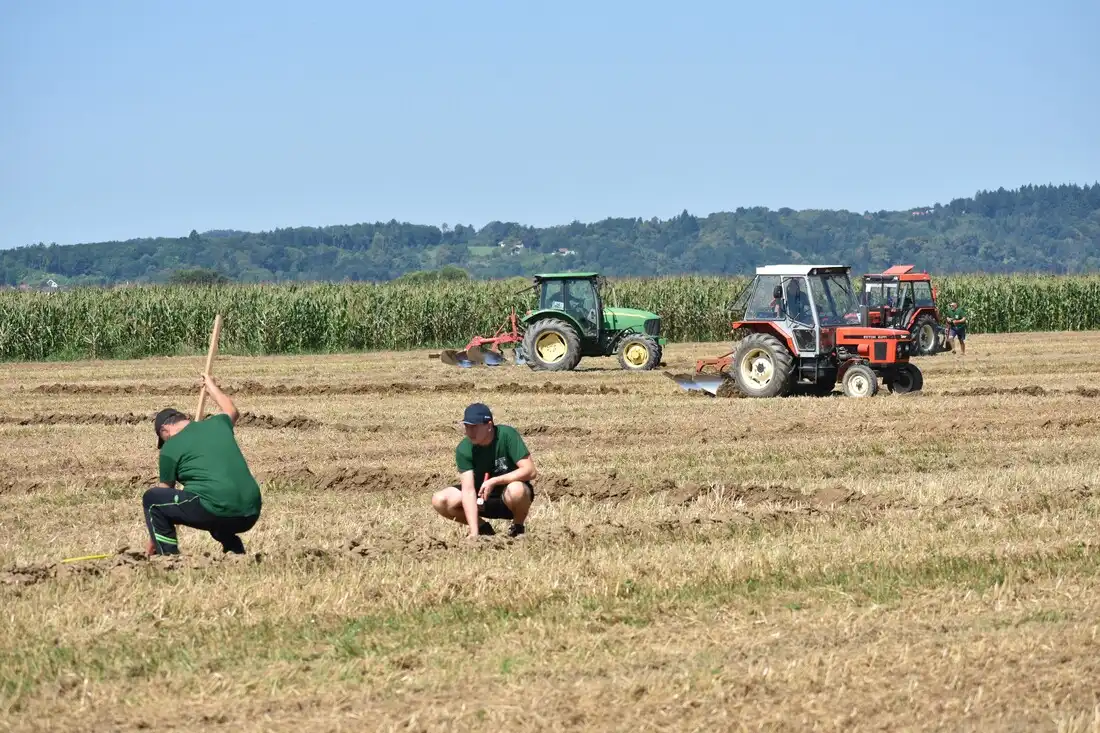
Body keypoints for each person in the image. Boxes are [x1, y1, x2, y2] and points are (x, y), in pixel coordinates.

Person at [144, 374, 262, 556]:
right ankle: (234, 550)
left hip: (217, 507)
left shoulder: (168, 449)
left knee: (152, 499)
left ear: (164, 431)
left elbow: (163, 495)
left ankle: (167, 557)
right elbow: (231, 410)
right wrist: (211, 386)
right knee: (211, 508)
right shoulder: (217, 424)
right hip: (250, 510)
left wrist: (153, 541)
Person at [431, 403, 536, 538]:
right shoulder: (464, 448)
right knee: (440, 499)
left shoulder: (507, 435)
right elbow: (468, 490)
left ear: (489, 425)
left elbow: (530, 471)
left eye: (474, 427)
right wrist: (474, 532)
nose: (469, 432)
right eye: (467, 427)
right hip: (481, 501)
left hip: (510, 500)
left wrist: (494, 481)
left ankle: (517, 528)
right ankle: (483, 528)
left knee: (517, 490)